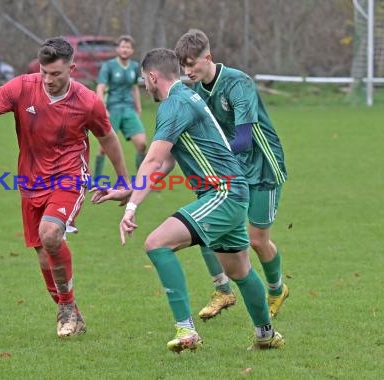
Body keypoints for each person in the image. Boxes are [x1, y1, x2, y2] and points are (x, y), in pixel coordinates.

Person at [92, 48, 284, 352]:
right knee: (239, 271)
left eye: (144, 80)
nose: (144, 86)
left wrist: (132, 208)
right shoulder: (188, 97)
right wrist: (129, 190)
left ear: (153, 77)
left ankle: (186, 330)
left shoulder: (174, 104)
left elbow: (153, 160)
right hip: (231, 193)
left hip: (223, 192)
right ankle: (266, 335)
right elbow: (166, 162)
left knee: (157, 243)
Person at [0, 37, 130, 338]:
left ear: (72, 69)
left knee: (50, 234)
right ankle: (71, 312)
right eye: (44, 73)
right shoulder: (23, 87)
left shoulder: (88, 101)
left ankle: (66, 309)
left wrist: (124, 180)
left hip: (69, 177)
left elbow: (108, 138)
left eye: (56, 74)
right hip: (30, 181)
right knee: (43, 254)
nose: (48, 80)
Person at [174, 29, 289, 320]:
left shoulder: (238, 83)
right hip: (232, 168)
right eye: (183, 67)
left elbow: (244, 139)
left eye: (192, 65)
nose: (188, 72)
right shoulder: (196, 91)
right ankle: (223, 291)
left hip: (263, 166)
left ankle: (276, 289)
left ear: (208, 57)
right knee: (208, 225)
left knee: (257, 240)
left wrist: (213, 159)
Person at [94, 35, 147, 177]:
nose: (125, 49)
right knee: (103, 148)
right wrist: (102, 108)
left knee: (142, 144)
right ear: (118, 49)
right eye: (122, 46)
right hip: (112, 110)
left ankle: (143, 179)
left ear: (132, 50)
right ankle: (96, 179)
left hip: (129, 110)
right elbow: (100, 88)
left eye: (128, 47)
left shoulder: (135, 66)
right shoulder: (109, 66)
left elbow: (134, 88)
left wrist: (139, 108)